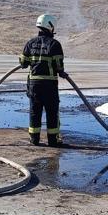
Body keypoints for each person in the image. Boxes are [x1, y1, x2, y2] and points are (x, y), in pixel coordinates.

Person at [19, 14, 67, 147]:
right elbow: (59, 65)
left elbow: (23, 63)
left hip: (34, 85)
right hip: (49, 85)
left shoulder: (30, 43)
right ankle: (53, 140)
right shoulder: (55, 44)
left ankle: (34, 139)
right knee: (52, 112)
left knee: (35, 111)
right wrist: (61, 72)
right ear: (50, 26)